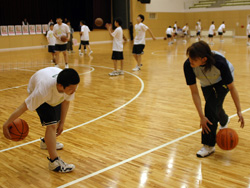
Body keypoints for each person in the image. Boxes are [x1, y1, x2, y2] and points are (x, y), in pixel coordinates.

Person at [2, 67, 80, 172]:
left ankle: (46, 142)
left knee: (56, 123)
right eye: (71, 89)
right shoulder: (42, 92)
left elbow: (66, 102)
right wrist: (6, 123)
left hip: (51, 87)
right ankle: (54, 162)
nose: (74, 91)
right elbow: (23, 107)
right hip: (37, 89)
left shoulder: (70, 85)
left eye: (75, 88)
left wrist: (62, 123)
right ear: (61, 85)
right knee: (52, 125)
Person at [183, 41, 244, 158]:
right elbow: (194, 92)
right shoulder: (188, 65)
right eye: (190, 58)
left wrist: (239, 110)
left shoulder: (220, 63)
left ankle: (209, 145)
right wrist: (201, 116)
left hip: (222, 81)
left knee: (210, 109)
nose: (190, 61)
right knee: (214, 105)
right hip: (206, 83)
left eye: (194, 60)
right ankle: (224, 119)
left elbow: (232, 88)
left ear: (204, 59)